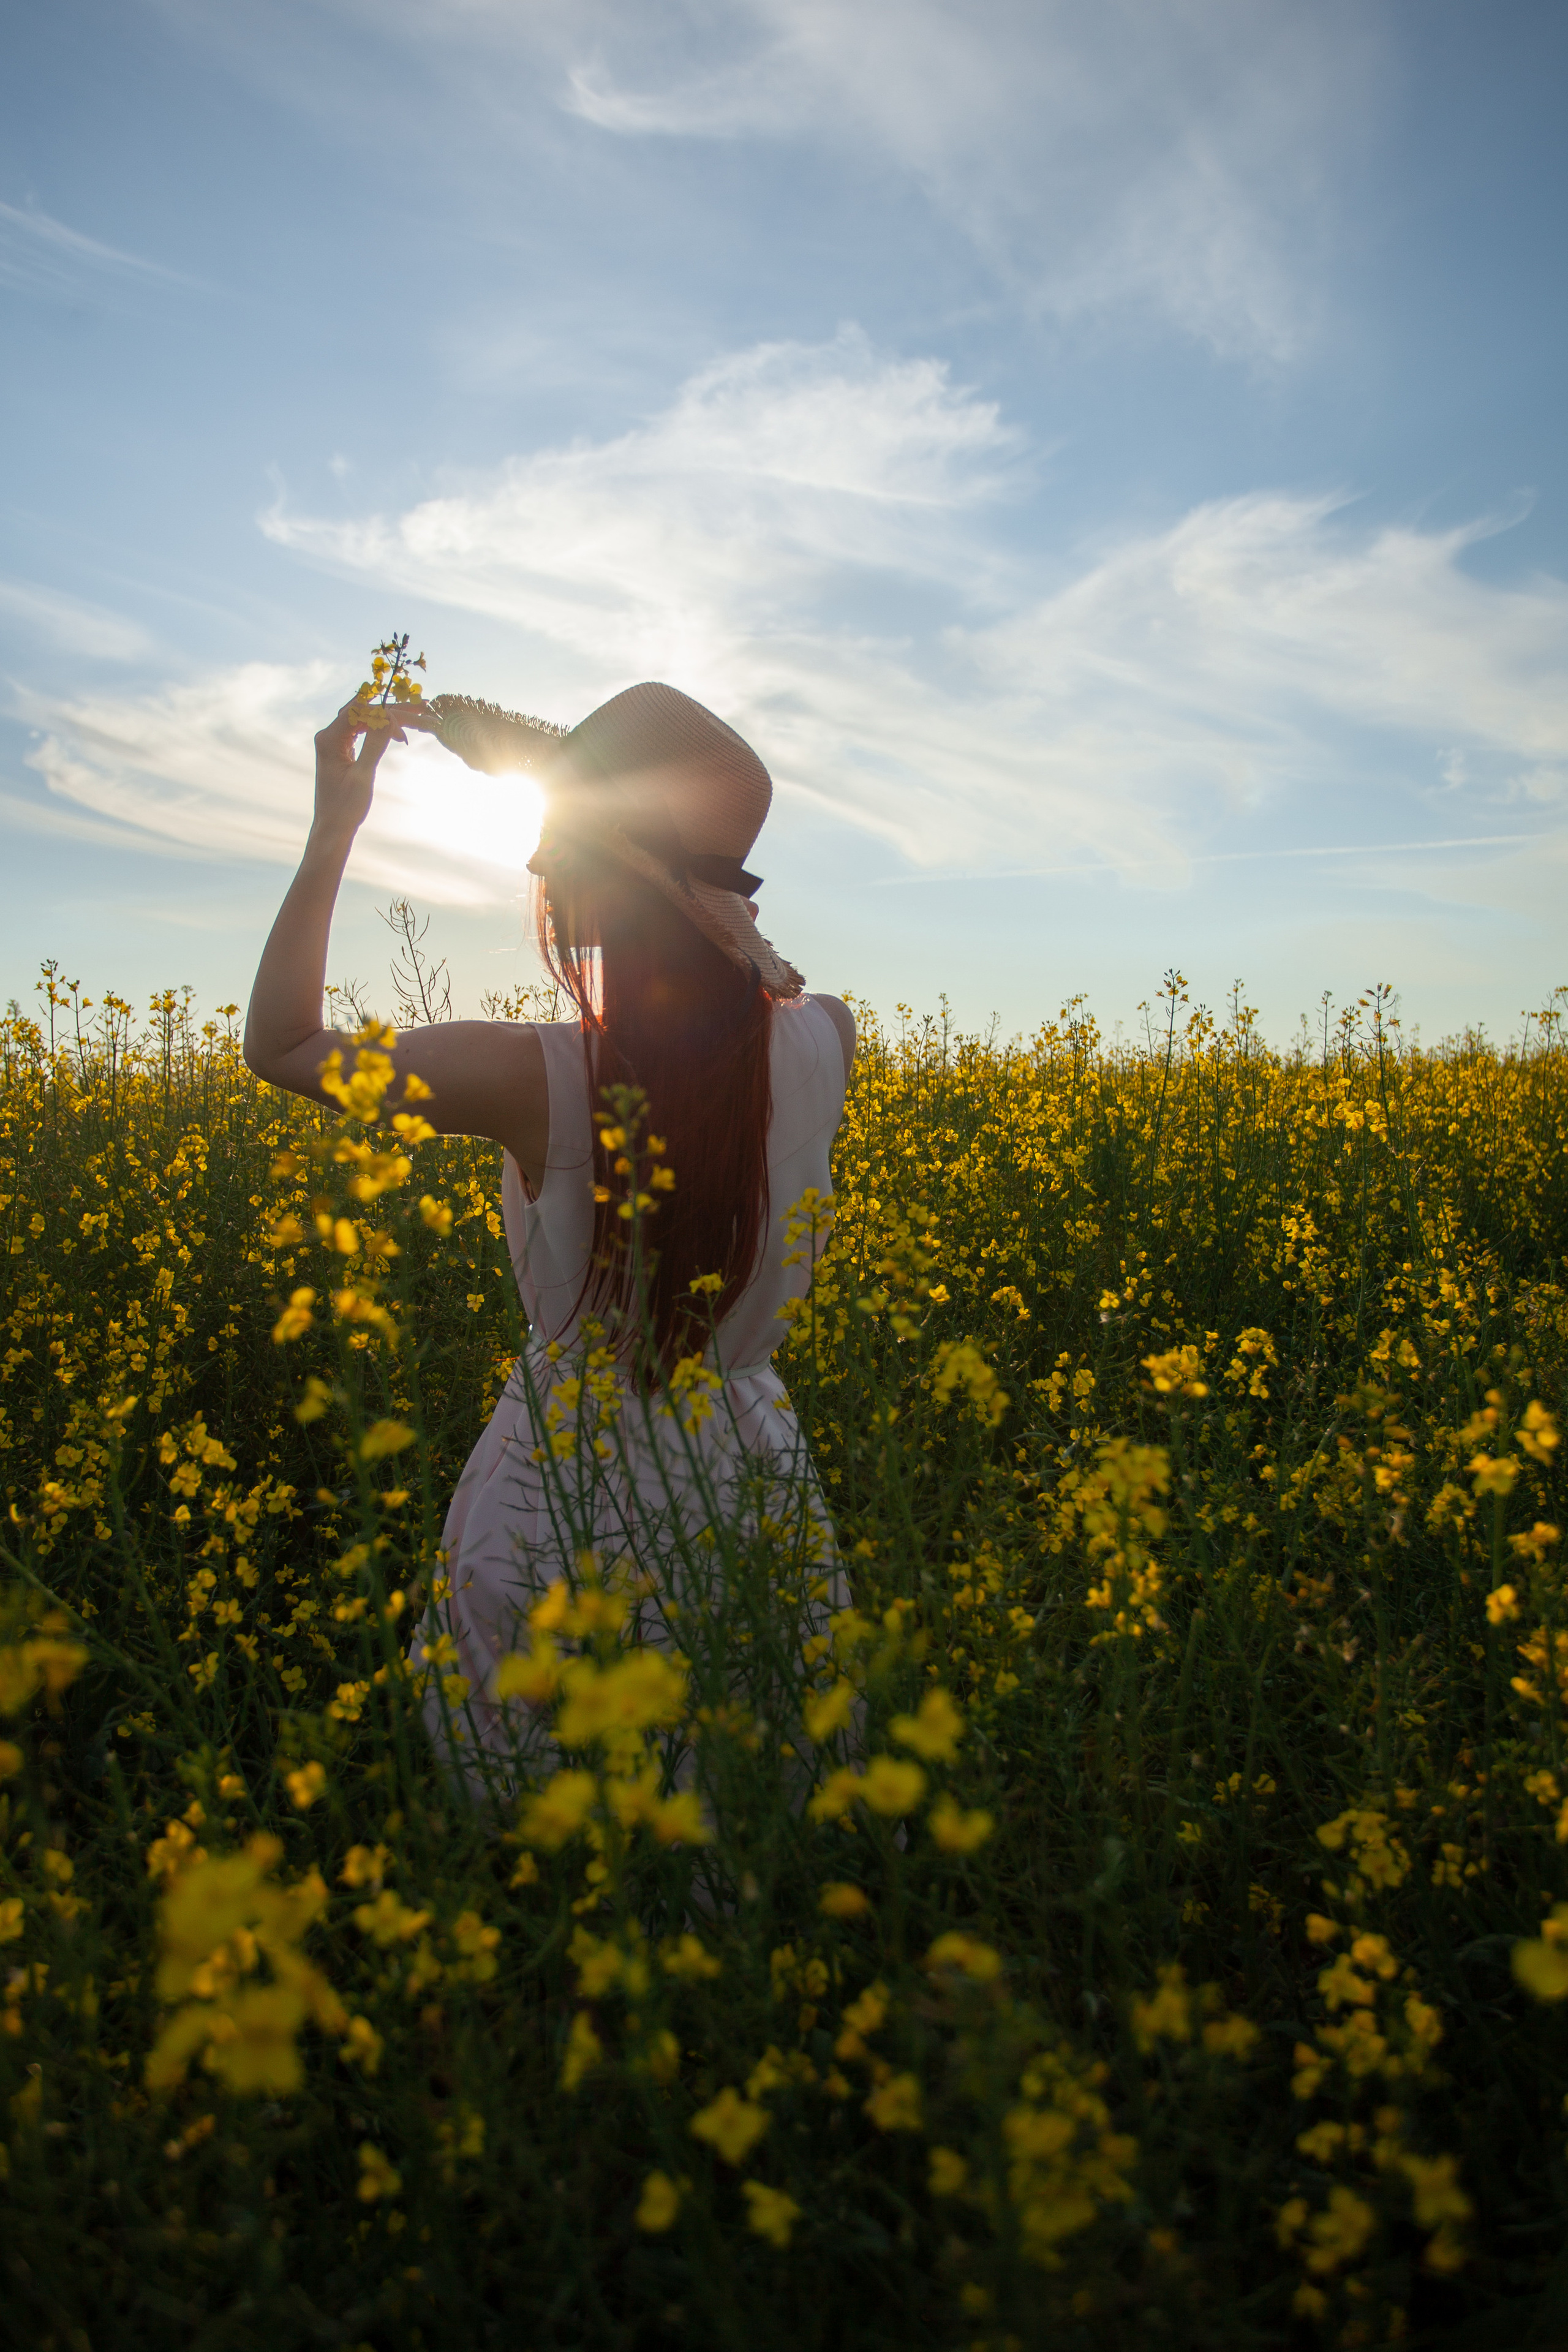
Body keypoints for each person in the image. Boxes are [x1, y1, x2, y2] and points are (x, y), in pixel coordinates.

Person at [244, 679, 854, 1784]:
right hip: (753, 1463)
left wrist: (336, 825)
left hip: (564, 1481)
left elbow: (285, 1046)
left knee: (550, 1805)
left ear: (591, 883)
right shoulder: (831, 1038)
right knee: (751, 1782)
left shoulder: (529, 1078)